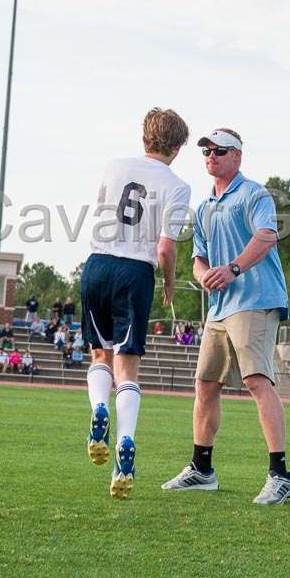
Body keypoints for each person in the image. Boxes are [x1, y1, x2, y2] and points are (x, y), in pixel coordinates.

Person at [162, 127, 290, 506]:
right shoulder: (204, 208)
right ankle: (202, 469)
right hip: (221, 308)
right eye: (206, 151)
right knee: (205, 384)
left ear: (237, 156)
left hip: (255, 299)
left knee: (256, 380)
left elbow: (267, 236)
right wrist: (204, 274)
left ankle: (281, 474)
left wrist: (234, 269)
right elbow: (198, 260)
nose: (211, 156)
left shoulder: (254, 194)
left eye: (220, 151)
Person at [81, 108, 192, 500]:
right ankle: (125, 442)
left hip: (97, 264)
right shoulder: (178, 186)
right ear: (177, 147)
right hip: (135, 271)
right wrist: (169, 281)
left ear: (144, 136)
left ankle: (99, 408)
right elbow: (165, 246)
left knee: (100, 354)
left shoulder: (113, 166)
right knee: (128, 366)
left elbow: (100, 211)